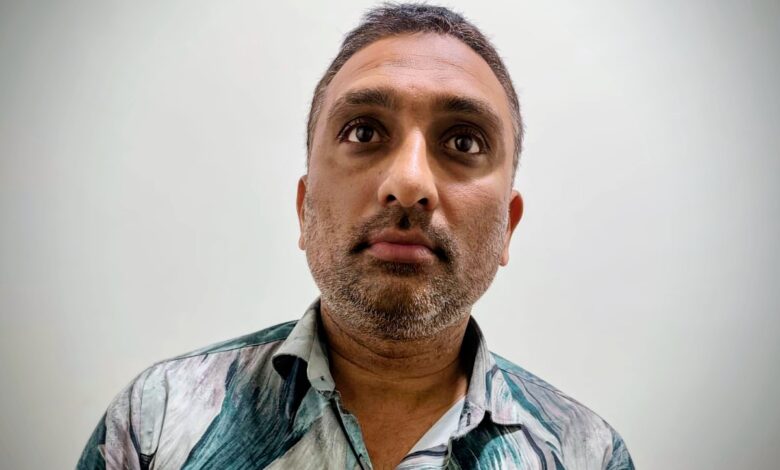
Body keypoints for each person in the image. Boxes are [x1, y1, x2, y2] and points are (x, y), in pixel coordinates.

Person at [78, 4, 634, 469]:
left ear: (507, 225)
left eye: (463, 142)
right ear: (304, 208)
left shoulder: (586, 455)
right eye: (363, 131)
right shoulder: (154, 423)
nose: (409, 184)